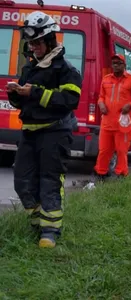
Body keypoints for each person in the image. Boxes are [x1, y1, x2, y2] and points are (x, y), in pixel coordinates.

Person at [7, 11, 82, 248]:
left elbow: (69, 101)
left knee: (49, 181)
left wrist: (34, 93)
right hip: (30, 132)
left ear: (50, 40)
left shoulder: (66, 70)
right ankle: (38, 222)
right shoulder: (31, 68)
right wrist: (15, 95)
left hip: (55, 133)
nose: (34, 47)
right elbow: (24, 102)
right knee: (22, 181)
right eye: (31, 43)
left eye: (37, 42)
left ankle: (50, 231)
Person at [94, 54, 131, 180]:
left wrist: (130, 105)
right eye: (114, 63)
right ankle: (101, 173)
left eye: (118, 63)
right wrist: (101, 104)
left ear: (124, 65)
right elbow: (101, 96)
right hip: (107, 123)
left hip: (122, 124)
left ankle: (121, 174)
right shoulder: (106, 79)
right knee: (104, 151)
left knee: (122, 151)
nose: (116, 65)